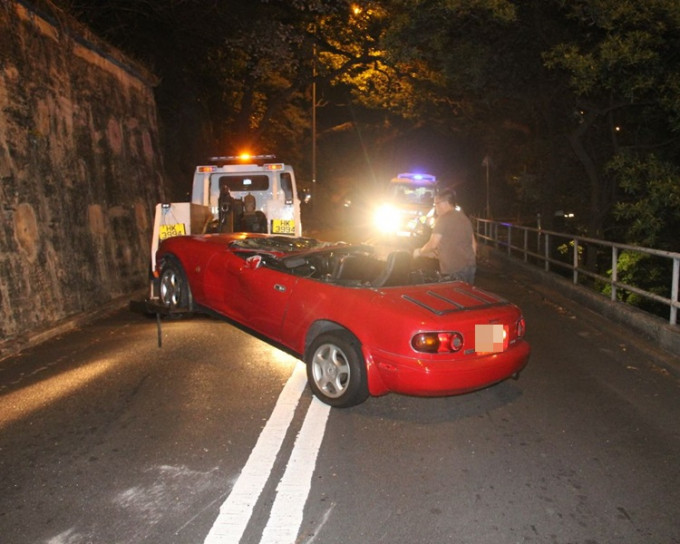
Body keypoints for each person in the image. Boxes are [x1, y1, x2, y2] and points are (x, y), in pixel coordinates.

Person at [412, 187, 477, 283]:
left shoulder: (443, 219)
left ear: (445, 202)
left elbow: (432, 244)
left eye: (436, 204)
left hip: (454, 271)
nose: (435, 207)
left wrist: (419, 252)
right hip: (469, 268)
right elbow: (474, 244)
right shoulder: (463, 218)